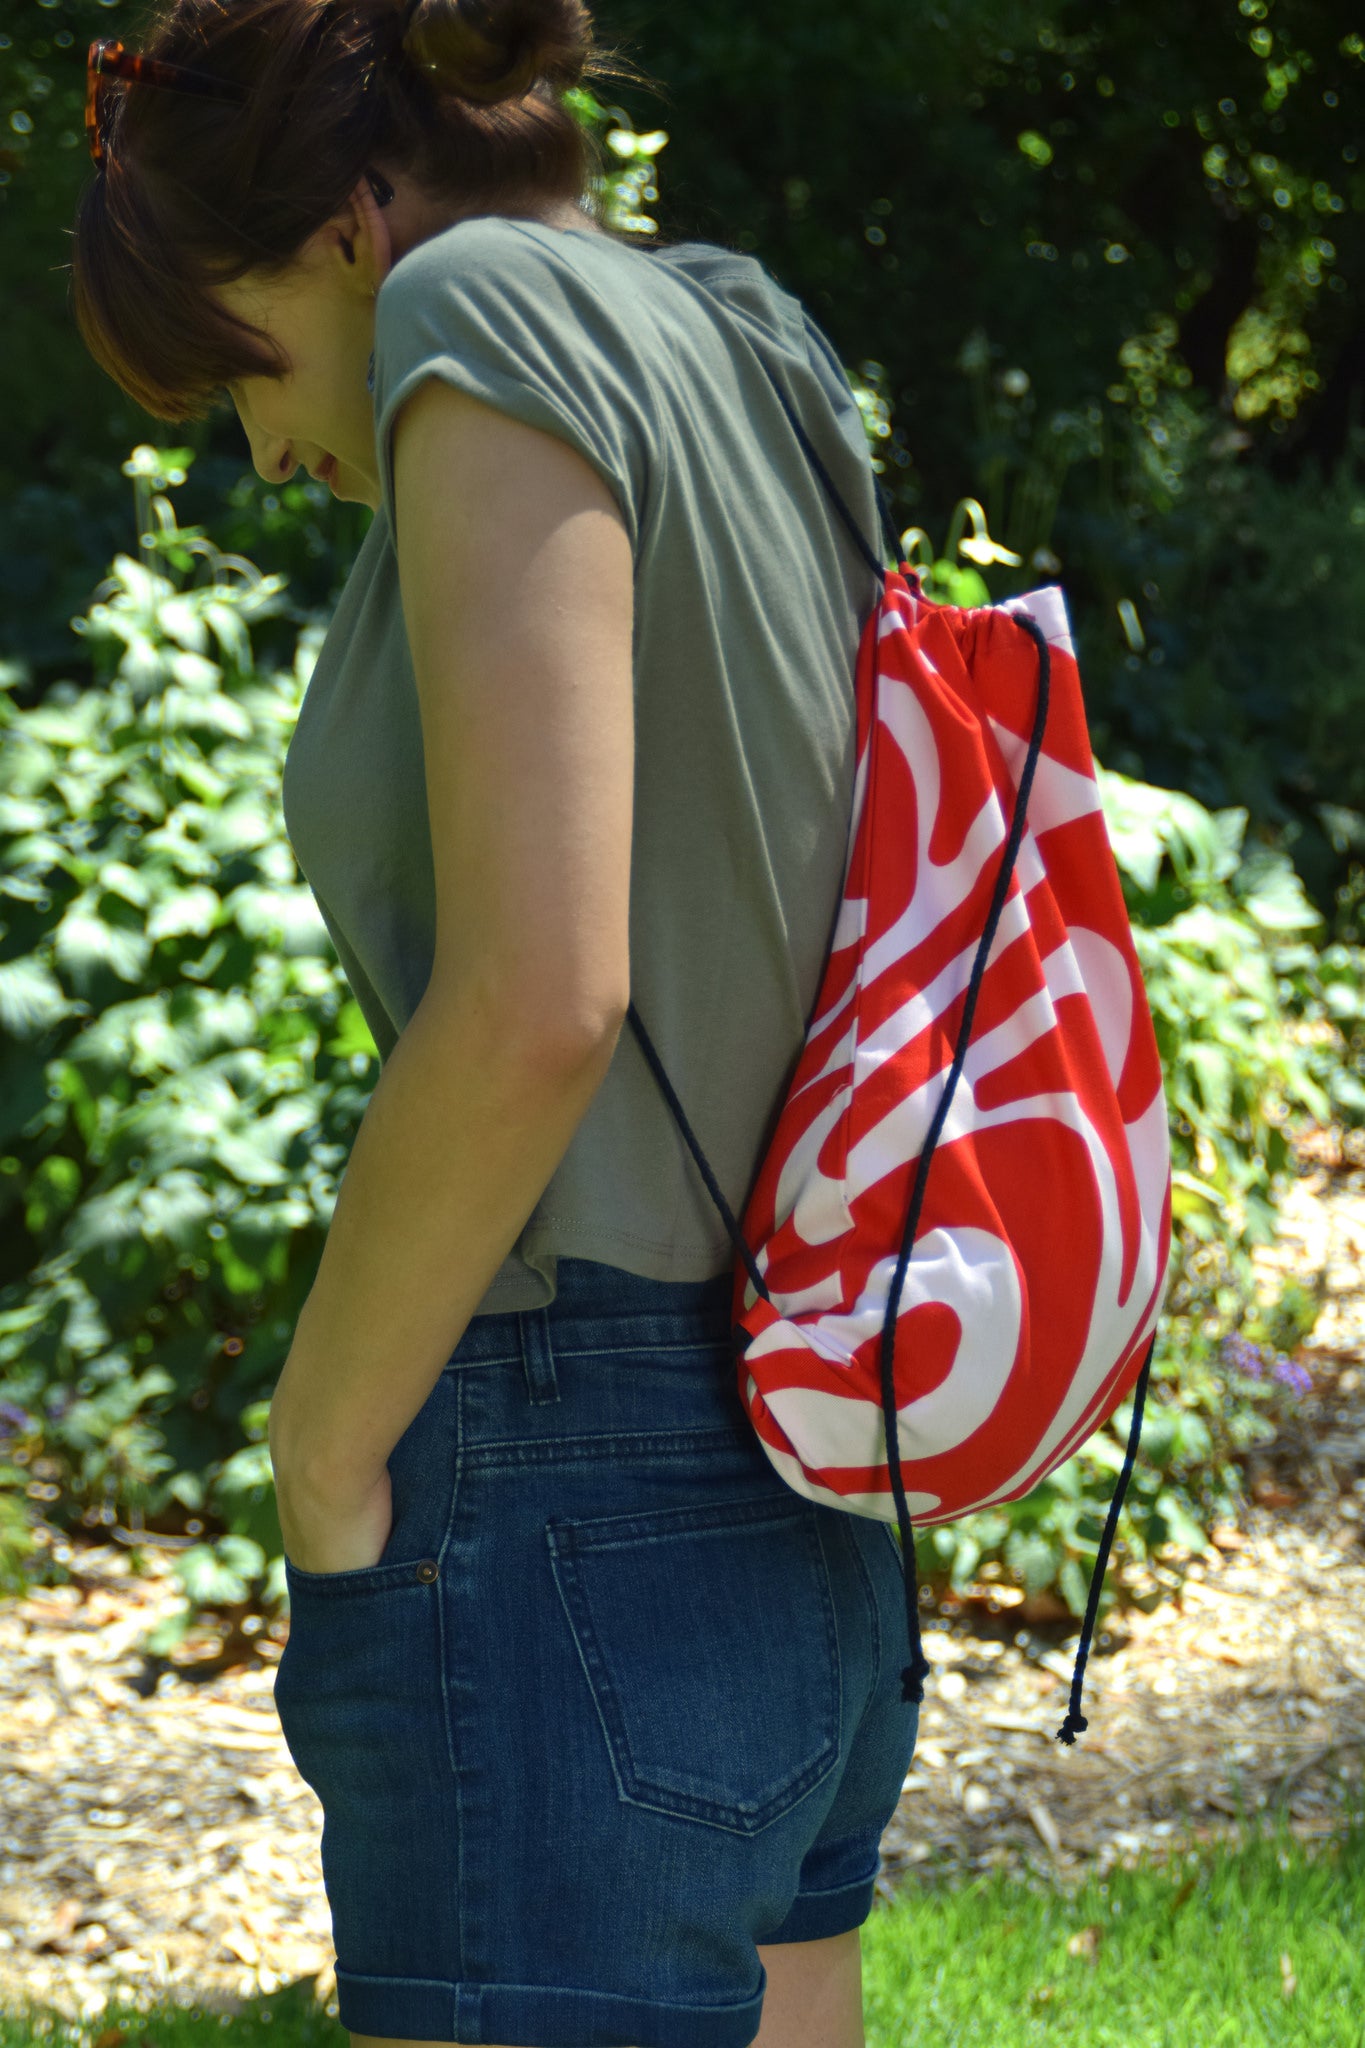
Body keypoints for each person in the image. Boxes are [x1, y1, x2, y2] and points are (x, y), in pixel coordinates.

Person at [71, 3, 920, 2044]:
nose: (266, 451)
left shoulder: (476, 316)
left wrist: (316, 1443)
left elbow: (539, 999)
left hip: (568, 1473)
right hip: (814, 1426)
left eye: (241, 357)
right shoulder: (738, 327)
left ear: (352, 231)